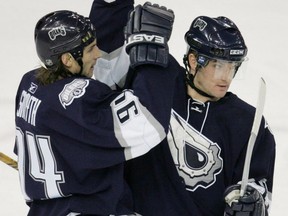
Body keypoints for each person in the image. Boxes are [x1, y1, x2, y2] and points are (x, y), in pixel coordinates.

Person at [89, 1, 276, 216]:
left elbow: (258, 185)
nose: (226, 77)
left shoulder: (248, 122)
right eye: (218, 66)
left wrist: (253, 201)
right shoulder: (156, 81)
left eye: (232, 67)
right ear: (194, 61)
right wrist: (112, 6)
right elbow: (109, 63)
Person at [14, 6, 177, 215]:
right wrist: (153, 54)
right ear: (67, 59)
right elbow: (148, 124)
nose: (98, 54)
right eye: (90, 49)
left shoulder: (29, 84)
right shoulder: (77, 101)